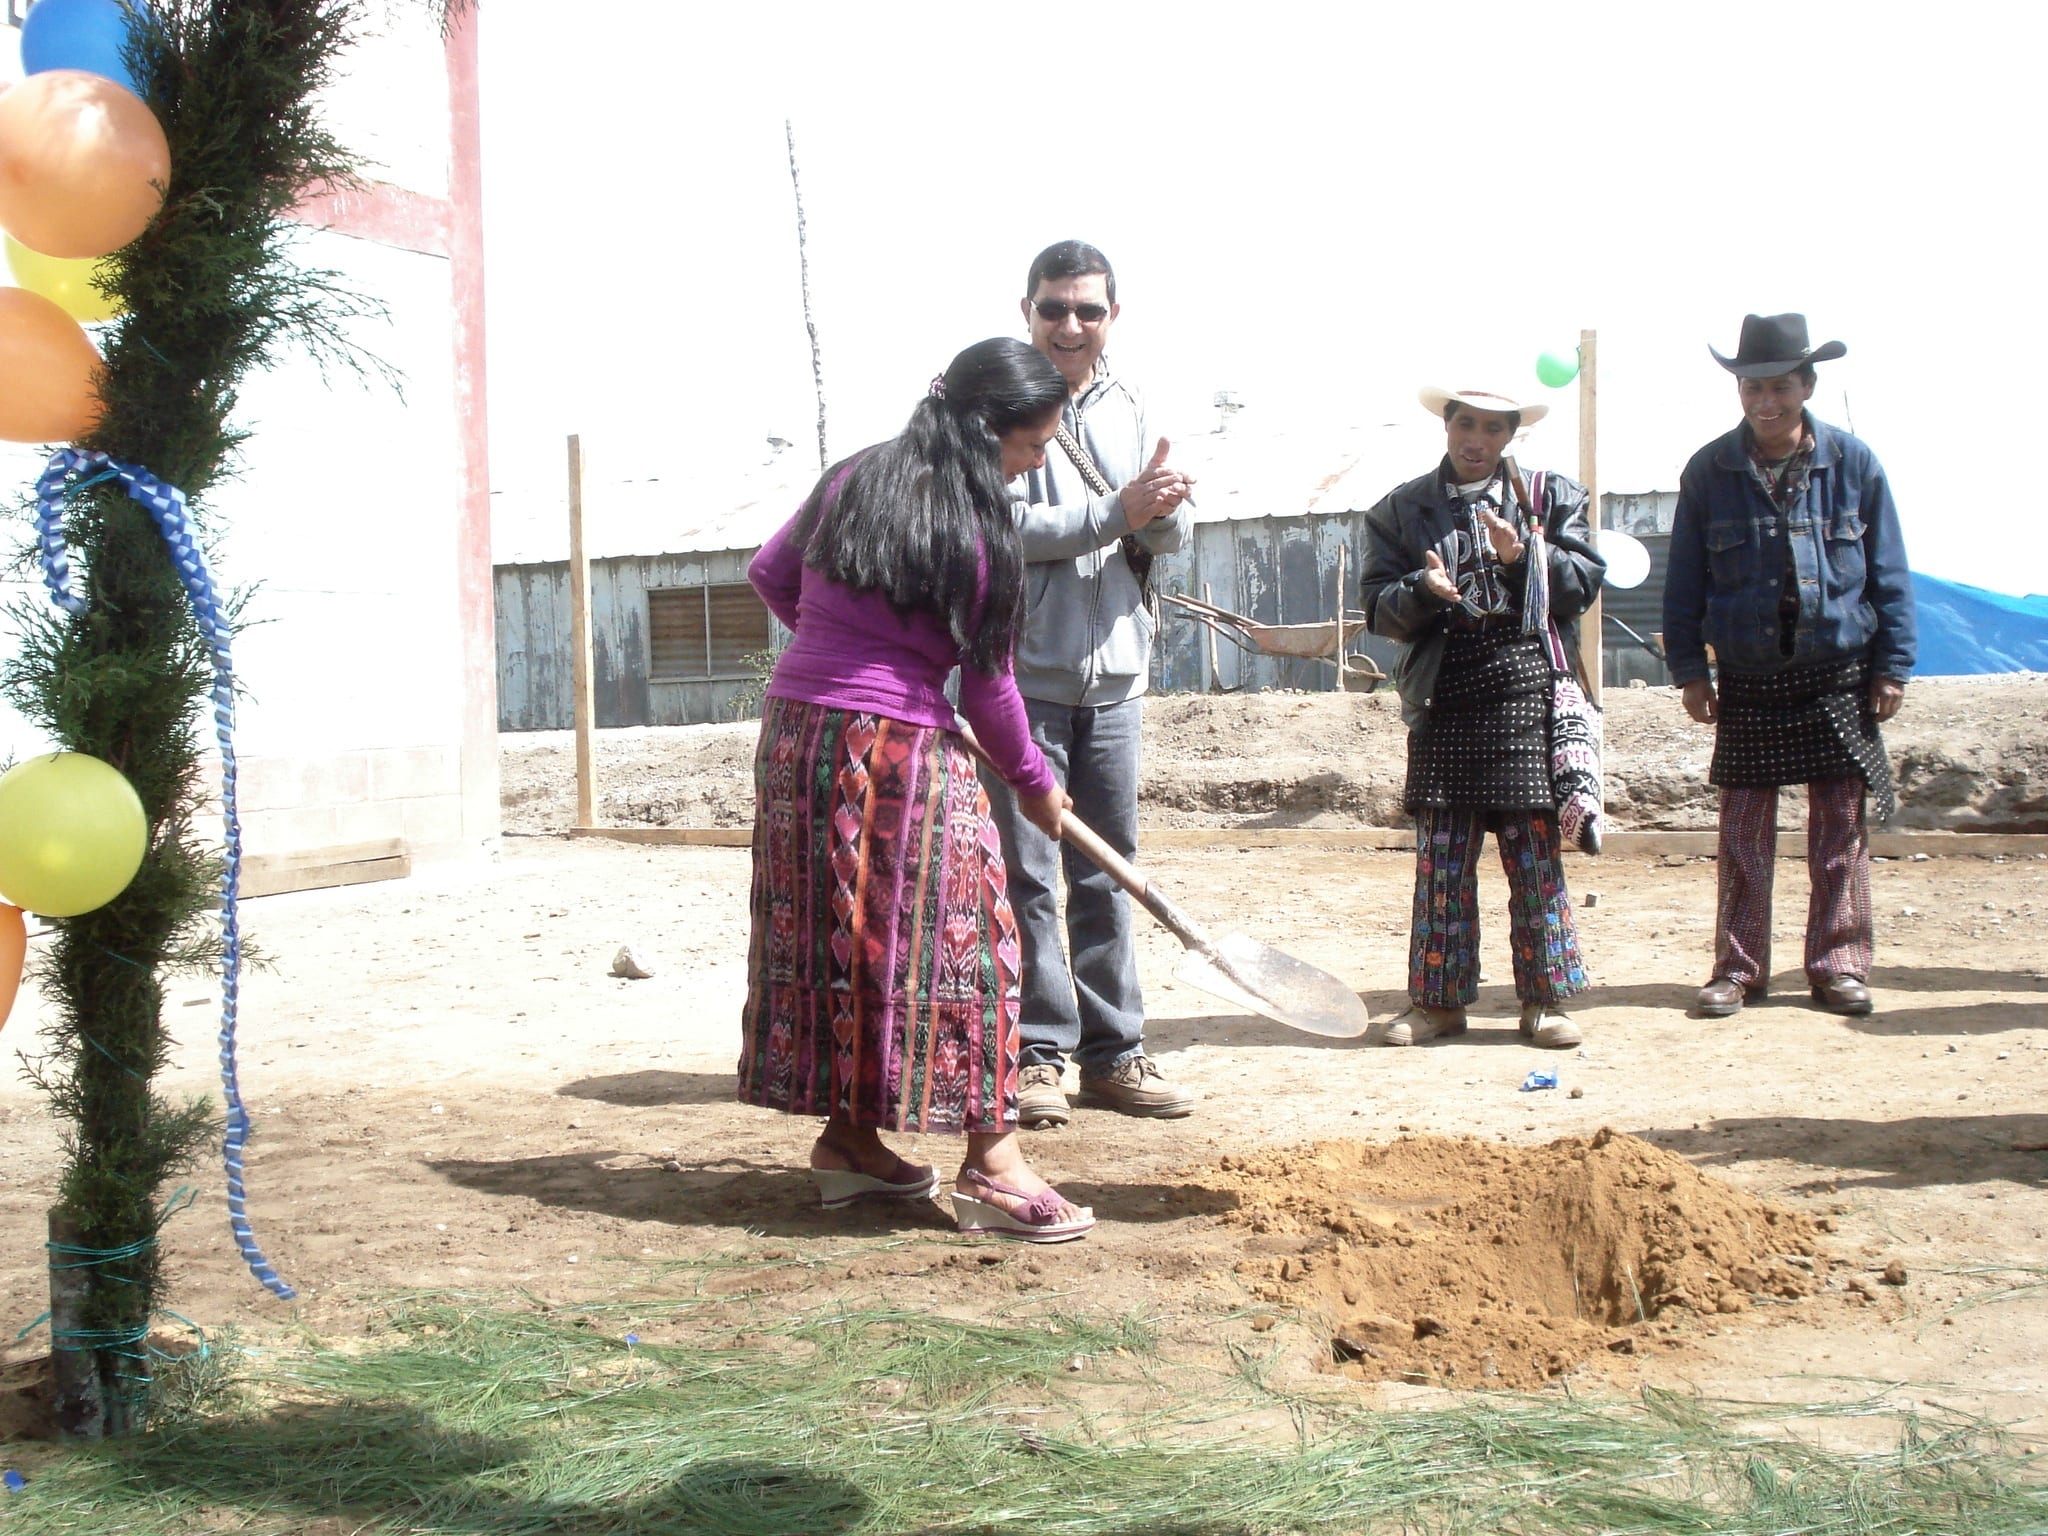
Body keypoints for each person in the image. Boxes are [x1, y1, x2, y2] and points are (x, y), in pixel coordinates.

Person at [738, 337, 1093, 1243]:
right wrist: (1035, 784)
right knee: (972, 939)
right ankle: (993, 1166)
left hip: (795, 740)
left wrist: (842, 651)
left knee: (843, 936)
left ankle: (852, 1143)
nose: (1039, 460)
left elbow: (770, 576)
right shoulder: (981, 532)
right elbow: (991, 686)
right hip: (892, 751)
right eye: (1031, 446)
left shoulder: (852, 476)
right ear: (987, 432)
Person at [981, 240, 1196, 1128]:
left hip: (1116, 680)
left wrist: (1162, 515)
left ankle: (1115, 1055)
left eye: (1088, 310)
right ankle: (1038, 1056)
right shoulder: (993, 401)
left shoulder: (1136, 404)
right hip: (1021, 678)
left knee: (1109, 874)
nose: (1070, 326)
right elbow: (1004, 528)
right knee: (1026, 875)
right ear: (1025, 311)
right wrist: (1120, 512)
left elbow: (1170, 537)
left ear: (1114, 317)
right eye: (1053, 309)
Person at [1663, 314, 1915, 1020]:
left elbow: (1889, 573)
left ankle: (1838, 966)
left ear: (1806, 385)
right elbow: (1685, 582)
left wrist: (1891, 666)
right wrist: (1689, 669)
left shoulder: (1855, 464)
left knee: (1840, 832)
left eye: (1778, 386)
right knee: (1744, 833)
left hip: (1838, 672)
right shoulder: (1709, 470)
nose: (1764, 400)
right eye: (1751, 387)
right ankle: (1738, 971)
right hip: (1746, 677)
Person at [1358, 387, 1605, 1049]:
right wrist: (1421, 590)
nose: (1476, 440)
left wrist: (1525, 557)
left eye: (1493, 428)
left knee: (1534, 856)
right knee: (1442, 858)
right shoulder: (1401, 510)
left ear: (1510, 434)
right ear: (1448, 424)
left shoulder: (1553, 500)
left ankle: (1545, 1001)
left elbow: (1583, 584)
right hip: (1445, 694)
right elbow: (1378, 607)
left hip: (1526, 687)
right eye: (1466, 423)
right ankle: (1437, 1004)